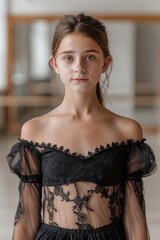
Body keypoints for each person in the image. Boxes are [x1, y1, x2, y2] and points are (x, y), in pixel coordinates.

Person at [7, 13, 157, 240]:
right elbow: (26, 218)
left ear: (105, 62)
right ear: (54, 64)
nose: (79, 67)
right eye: (68, 58)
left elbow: (135, 219)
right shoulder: (34, 130)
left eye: (90, 57)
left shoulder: (127, 131)